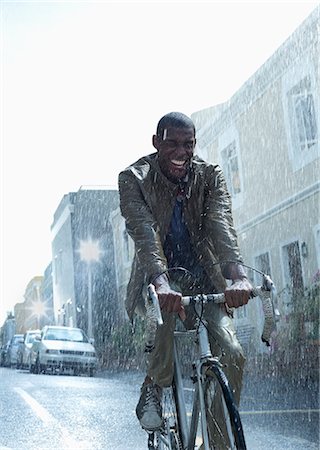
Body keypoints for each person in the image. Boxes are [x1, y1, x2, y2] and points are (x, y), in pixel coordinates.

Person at [118, 112, 252, 449]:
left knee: (232, 352)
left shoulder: (209, 176)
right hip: (157, 279)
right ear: (156, 143)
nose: (182, 151)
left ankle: (218, 438)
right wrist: (161, 283)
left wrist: (238, 276)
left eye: (189, 144)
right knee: (164, 305)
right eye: (173, 143)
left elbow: (221, 224)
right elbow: (145, 234)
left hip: (204, 280)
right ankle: (154, 385)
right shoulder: (135, 178)